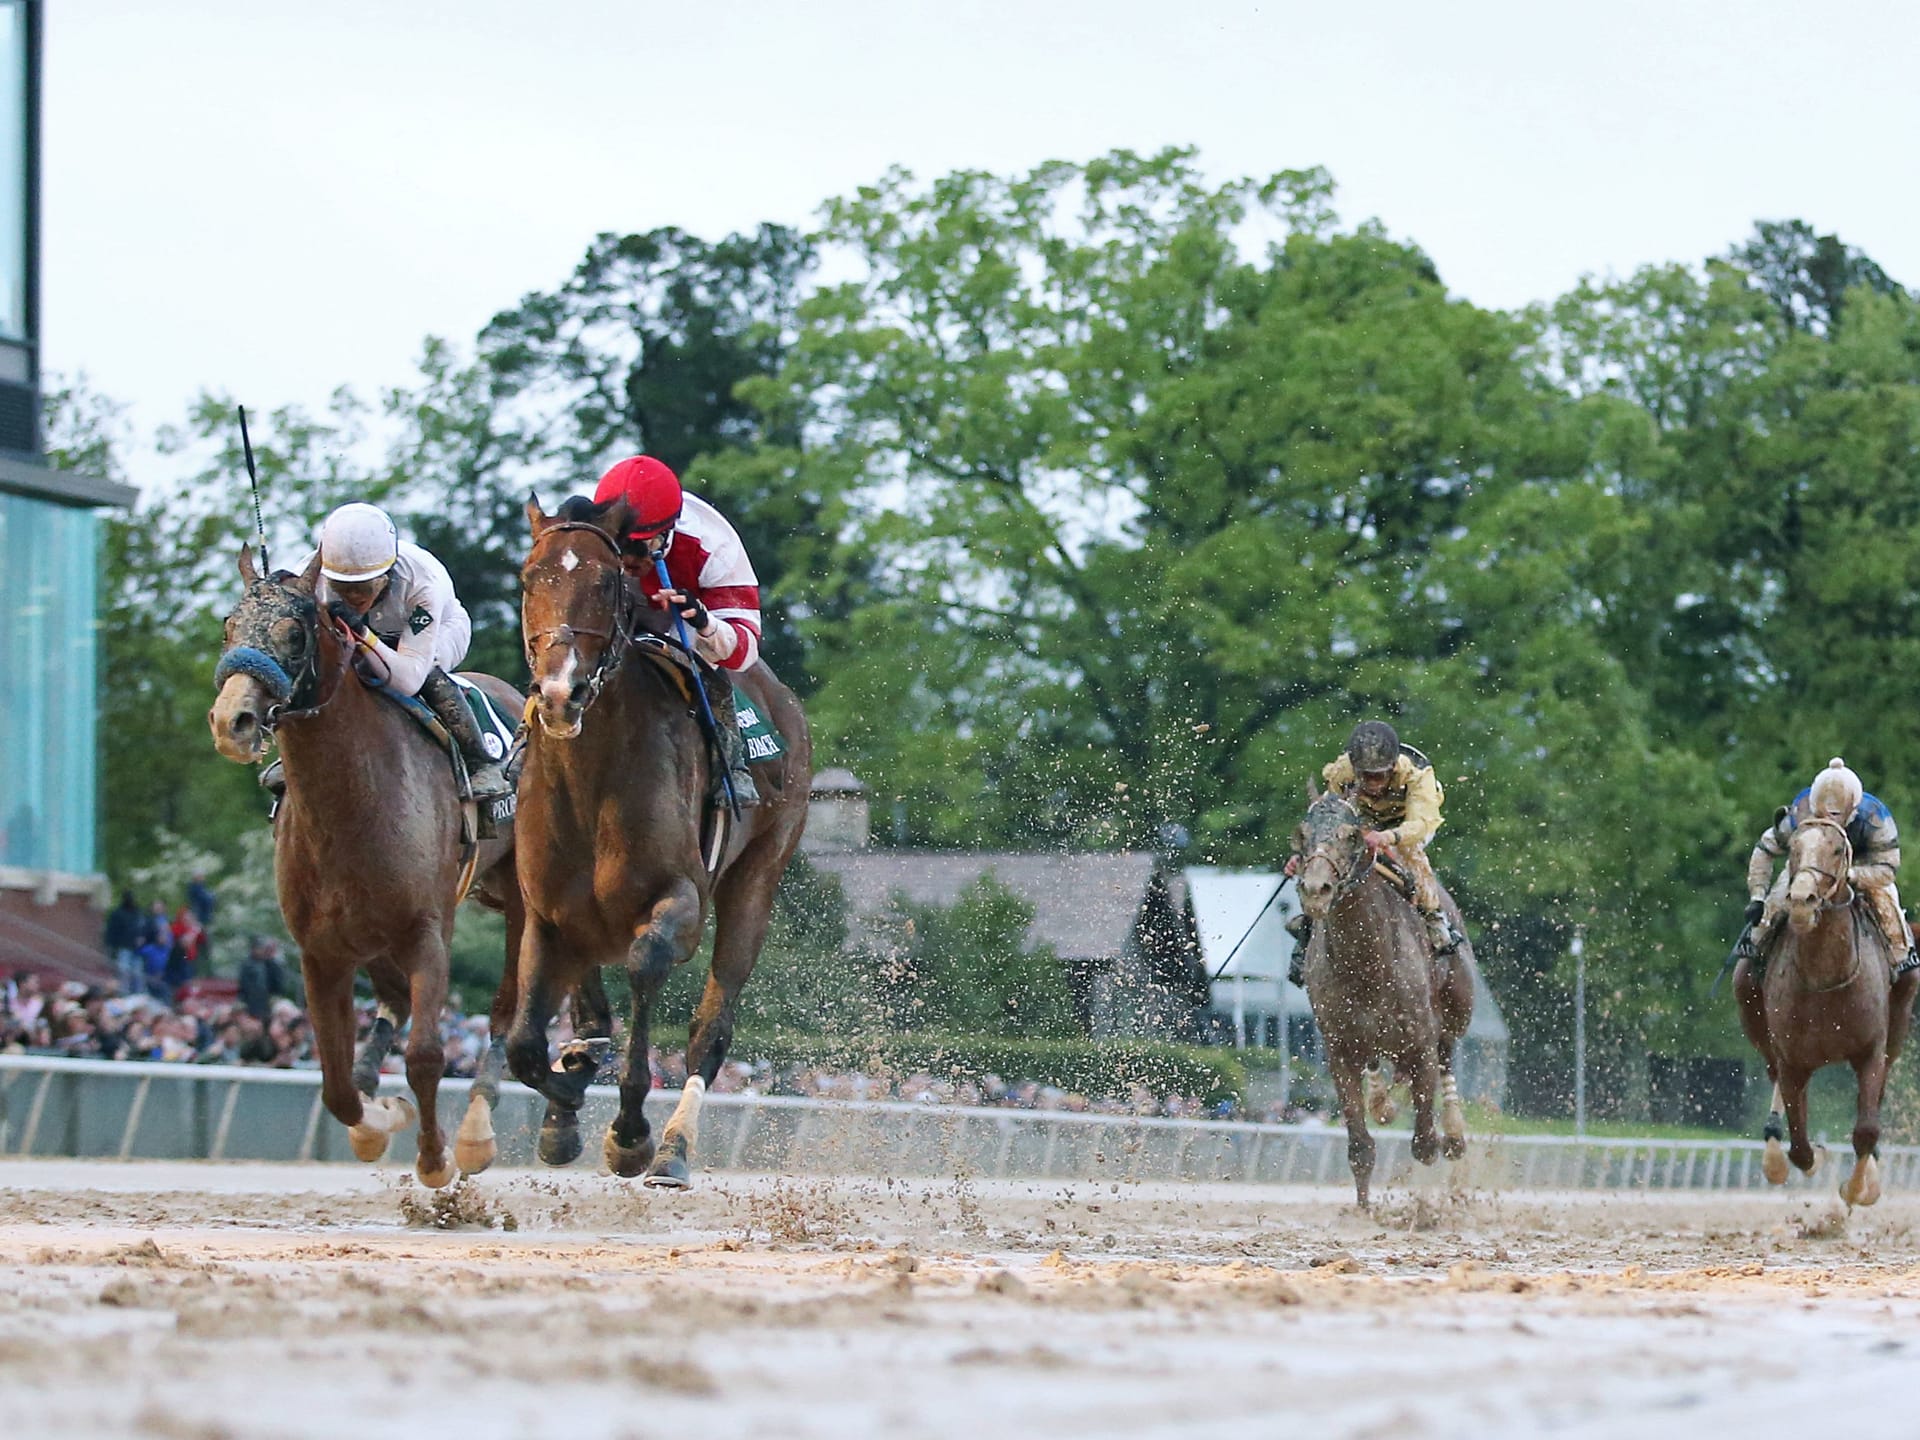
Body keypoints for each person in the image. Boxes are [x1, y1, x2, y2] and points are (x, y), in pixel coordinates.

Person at [272, 503, 508, 813]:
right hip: (366, 635)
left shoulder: (422, 582)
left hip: (437, 632)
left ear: (388, 572)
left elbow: (408, 680)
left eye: (364, 588)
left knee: (429, 676)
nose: (354, 599)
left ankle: (480, 760)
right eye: (342, 589)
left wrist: (364, 635)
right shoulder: (310, 576)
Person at [590, 455, 765, 807]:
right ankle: (524, 745)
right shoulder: (591, 528)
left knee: (700, 658)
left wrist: (704, 621)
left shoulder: (714, 546)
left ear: (667, 532)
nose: (627, 557)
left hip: (686, 618)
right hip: (615, 608)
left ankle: (731, 760)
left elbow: (745, 653)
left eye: (638, 545)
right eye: (619, 543)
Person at [1286, 720, 1464, 963]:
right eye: (1365, 776)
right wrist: (1310, 853)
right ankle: (1308, 922)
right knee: (1332, 855)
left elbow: (1421, 824)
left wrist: (1386, 837)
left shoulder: (1417, 776)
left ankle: (1433, 915)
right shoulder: (1343, 770)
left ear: (1391, 768)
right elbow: (1329, 813)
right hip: (1362, 818)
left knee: (1410, 853)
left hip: (1407, 823)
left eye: (1378, 777)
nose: (1371, 785)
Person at [1743, 757, 1920, 976]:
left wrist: (1850, 874)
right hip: (1810, 866)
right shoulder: (1800, 814)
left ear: (1853, 810)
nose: (1828, 818)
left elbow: (1887, 869)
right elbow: (1765, 849)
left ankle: (1902, 967)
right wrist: (1758, 897)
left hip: (1860, 867)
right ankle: (1755, 961)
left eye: (1836, 814)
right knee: (1760, 928)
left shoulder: (1875, 819)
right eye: (1820, 815)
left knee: (1896, 933)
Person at [104, 890, 145, 996]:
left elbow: (142, 928)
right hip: (123, 947)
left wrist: (142, 938)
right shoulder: (118, 913)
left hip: (136, 949)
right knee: (124, 972)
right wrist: (112, 946)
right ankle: (124, 993)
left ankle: (138, 994)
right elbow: (112, 931)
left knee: (137, 973)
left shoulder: (137, 913)